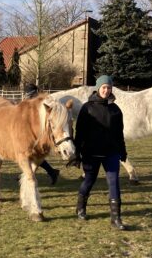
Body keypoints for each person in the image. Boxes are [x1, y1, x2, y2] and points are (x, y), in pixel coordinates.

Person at [73, 75, 127, 230]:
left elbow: (119, 133)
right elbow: (80, 132)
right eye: (104, 87)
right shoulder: (87, 108)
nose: (106, 90)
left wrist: (122, 151)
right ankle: (81, 207)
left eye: (109, 88)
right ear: (98, 88)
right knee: (89, 180)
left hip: (111, 153)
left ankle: (116, 219)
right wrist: (77, 153)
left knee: (114, 182)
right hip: (91, 153)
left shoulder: (116, 110)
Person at [22, 82, 60, 186]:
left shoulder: (42, 103)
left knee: (33, 155)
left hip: (39, 134)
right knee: (31, 155)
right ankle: (52, 172)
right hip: (29, 132)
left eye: (29, 94)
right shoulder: (30, 102)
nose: (27, 97)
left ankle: (50, 172)